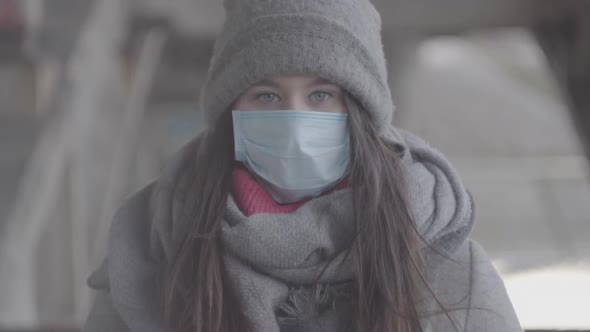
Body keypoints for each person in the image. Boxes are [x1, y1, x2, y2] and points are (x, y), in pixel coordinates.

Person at [83, 0, 523, 331]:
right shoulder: (152, 250)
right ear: (230, 111)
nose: (294, 122)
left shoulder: (441, 261)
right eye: (267, 96)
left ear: (361, 113)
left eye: (321, 96)